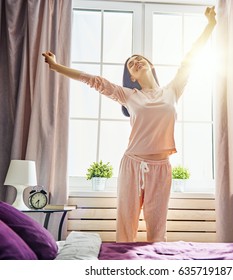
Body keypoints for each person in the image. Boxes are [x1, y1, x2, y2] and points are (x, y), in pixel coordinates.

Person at [42, 6, 216, 242]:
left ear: (150, 66)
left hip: (161, 168)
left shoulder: (172, 90)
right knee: (126, 226)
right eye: (131, 64)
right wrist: (56, 66)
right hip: (133, 164)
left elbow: (189, 60)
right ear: (131, 77)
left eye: (139, 59)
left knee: (157, 230)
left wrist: (209, 25)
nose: (135, 62)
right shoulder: (129, 95)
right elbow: (94, 81)